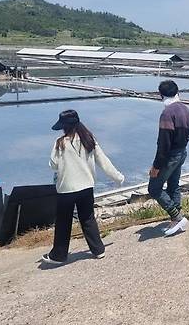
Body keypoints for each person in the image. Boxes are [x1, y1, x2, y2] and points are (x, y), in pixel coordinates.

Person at [42, 110, 124, 264]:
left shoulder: (60, 143)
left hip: (66, 189)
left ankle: (58, 256)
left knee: (63, 222)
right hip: (86, 187)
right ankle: (98, 250)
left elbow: (52, 165)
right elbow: (103, 161)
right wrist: (118, 177)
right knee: (87, 218)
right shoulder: (89, 139)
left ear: (64, 127)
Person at [147, 80, 189, 237]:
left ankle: (176, 216)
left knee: (154, 188)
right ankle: (176, 220)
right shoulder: (185, 109)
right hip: (182, 153)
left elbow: (164, 144)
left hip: (170, 156)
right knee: (173, 185)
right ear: (177, 91)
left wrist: (156, 166)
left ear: (161, 95)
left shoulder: (167, 113)